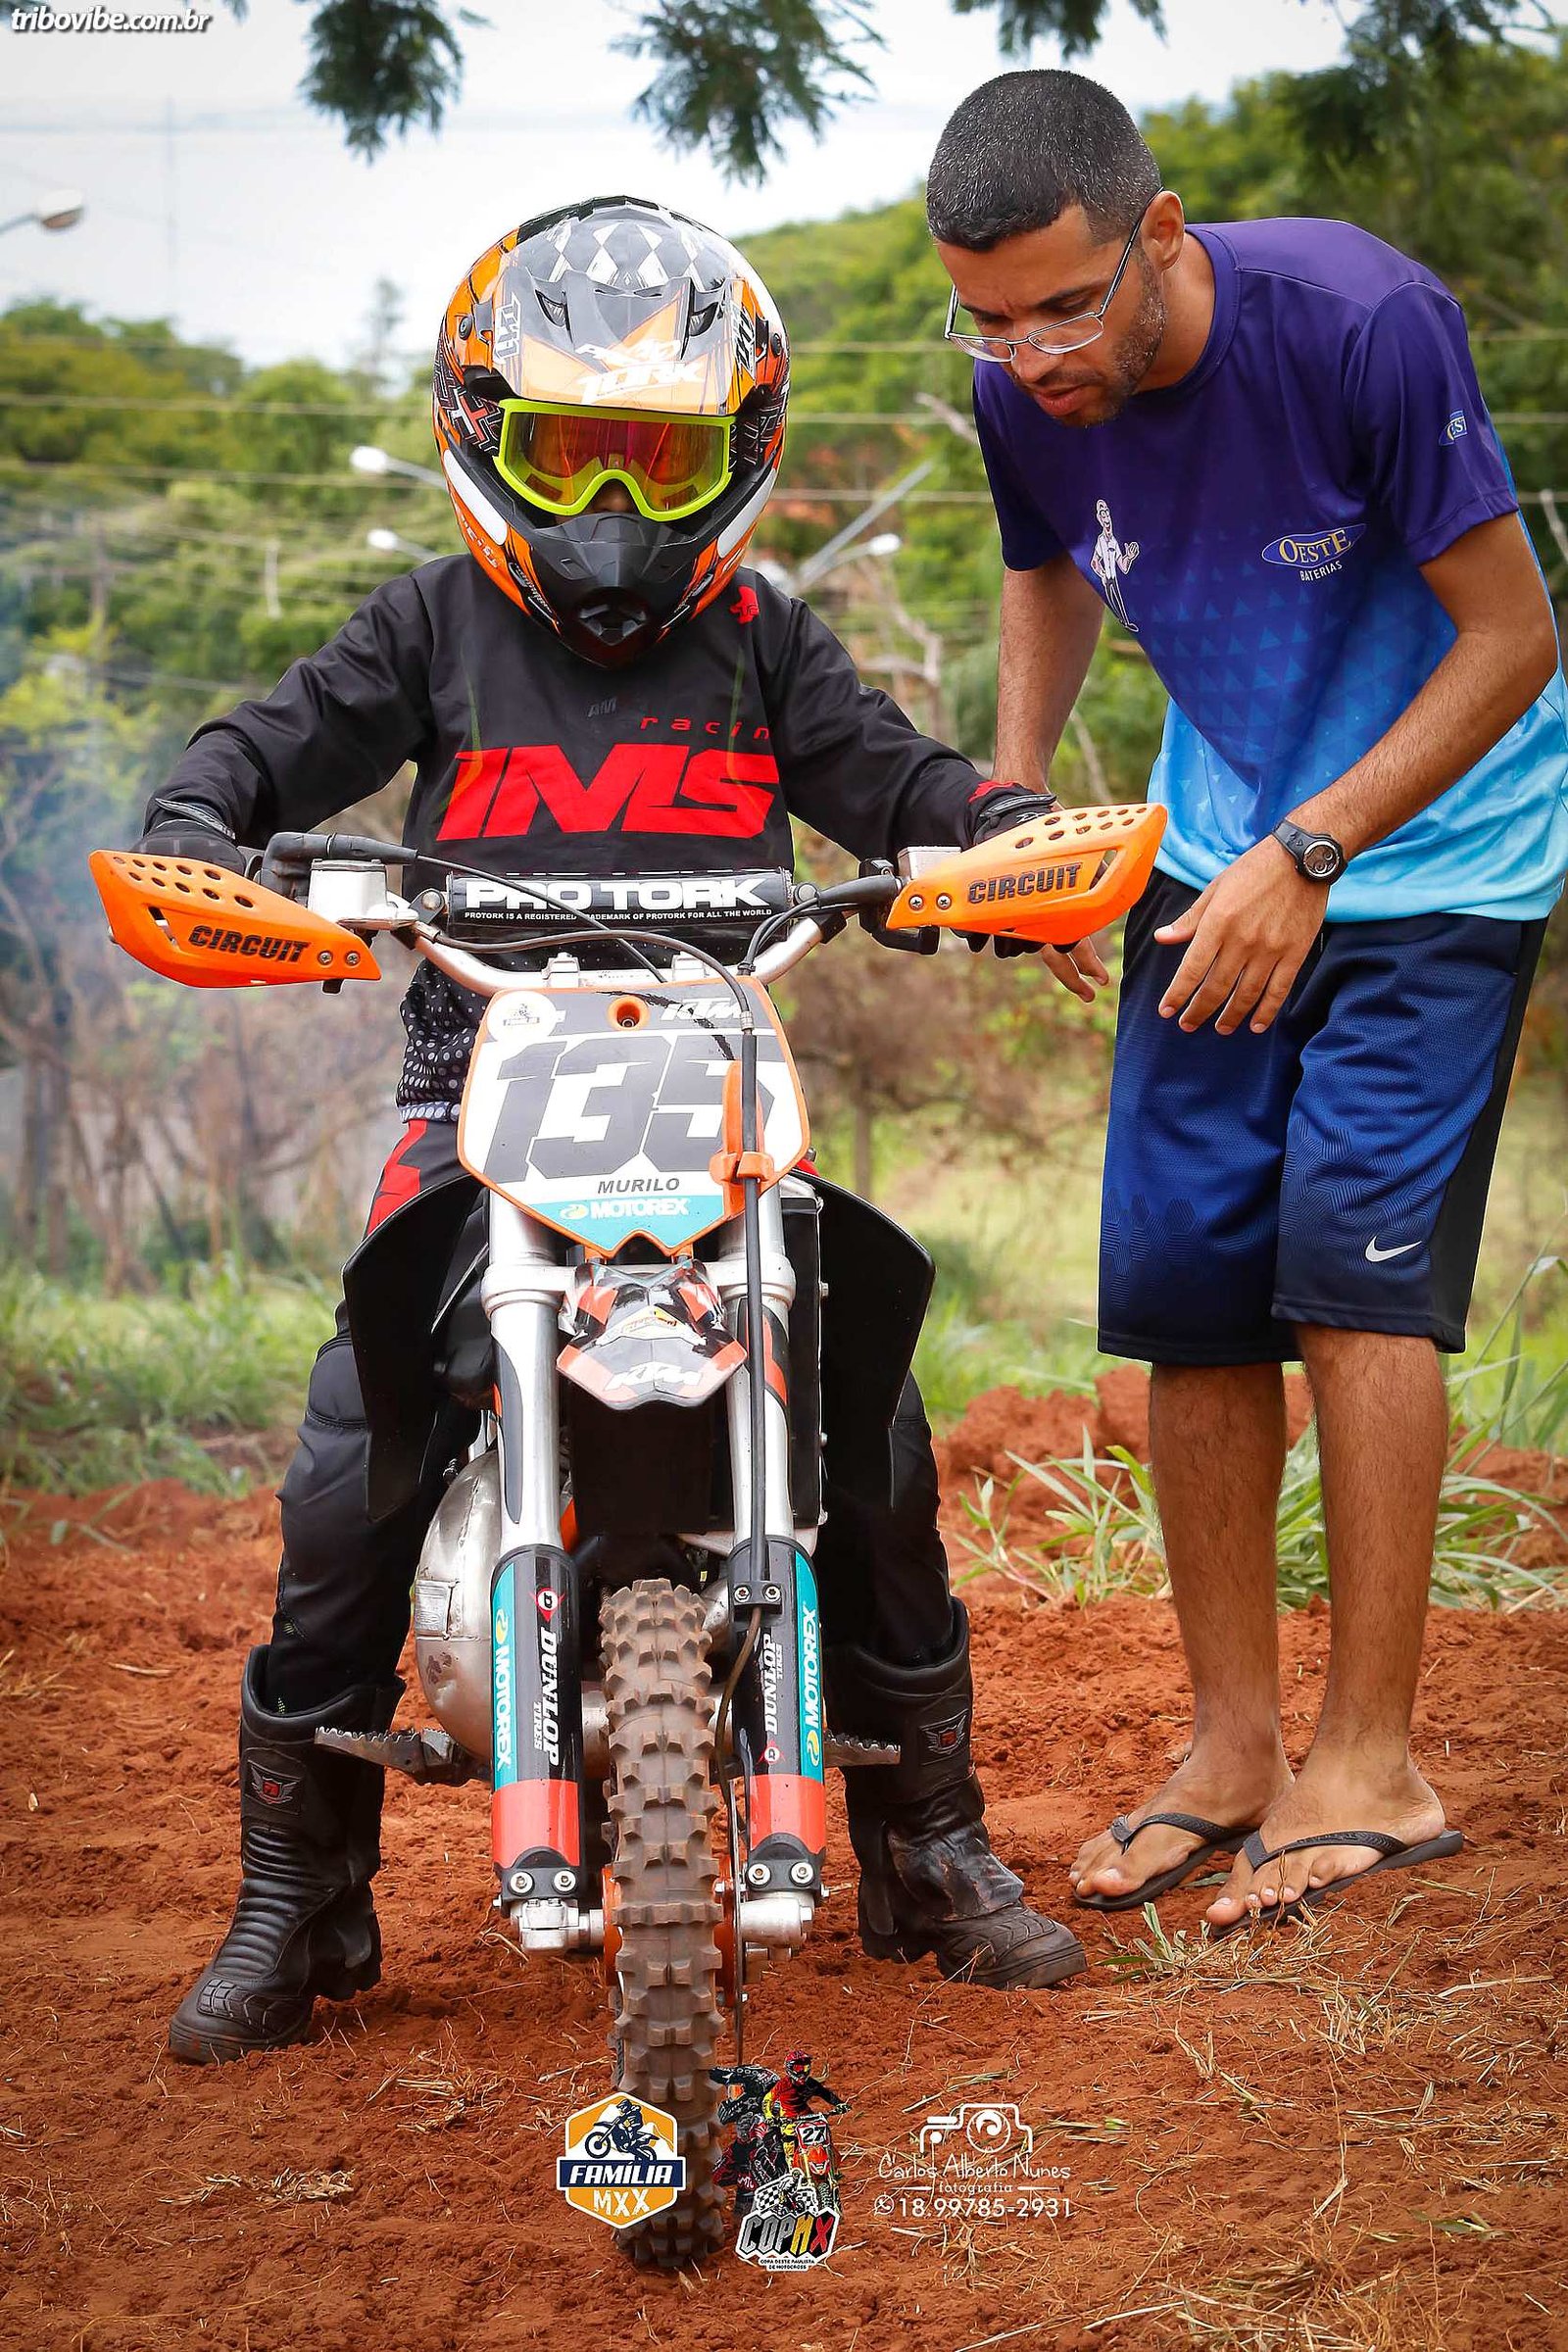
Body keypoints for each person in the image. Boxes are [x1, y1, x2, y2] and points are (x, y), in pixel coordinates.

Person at [142, 197, 1090, 2064]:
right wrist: (200, 820)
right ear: (487, 436)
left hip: (722, 1101)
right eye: (573, 451)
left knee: (874, 1431)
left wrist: (994, 830)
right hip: (474, 1097)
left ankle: (927, 1843)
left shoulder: (763, 640)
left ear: (733, 457)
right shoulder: (428, 625)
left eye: (653, 462)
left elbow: (898, 776)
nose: (609, 509)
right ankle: (297, 1888)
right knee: (349, 1461)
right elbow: (266, 742)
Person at [927, 74, 1568, 1930]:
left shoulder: (1359, 324)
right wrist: (1020, 805)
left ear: (1163, 235)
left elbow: (1515, 638)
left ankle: (1374, 1764)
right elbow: (1043, 571)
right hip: (1216, 857)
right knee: (1191, 1289)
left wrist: (1321, 848)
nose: (1033, 356)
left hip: (1434, 858)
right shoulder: (1017, 388)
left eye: (1067, 307)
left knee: (1349, 1270)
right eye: (990, 321)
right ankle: (1231, 1748)